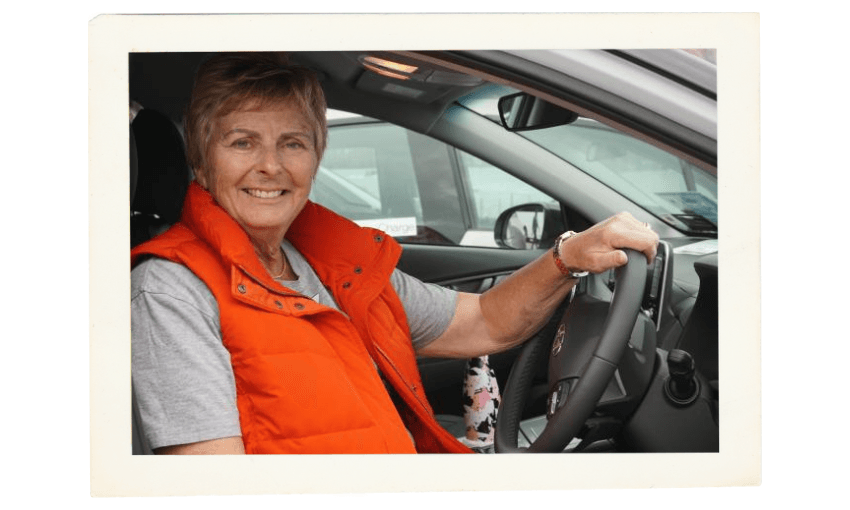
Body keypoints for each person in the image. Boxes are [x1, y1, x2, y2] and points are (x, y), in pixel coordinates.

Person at [130, 53, 659, 455]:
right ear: (202, 163)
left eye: (292, 143)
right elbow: (216, 489)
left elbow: (482, 321)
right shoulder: (170, 289)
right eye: (242, 142)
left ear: (315, 158)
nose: (270, 165)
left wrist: (568, 257)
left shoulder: (330, 261)